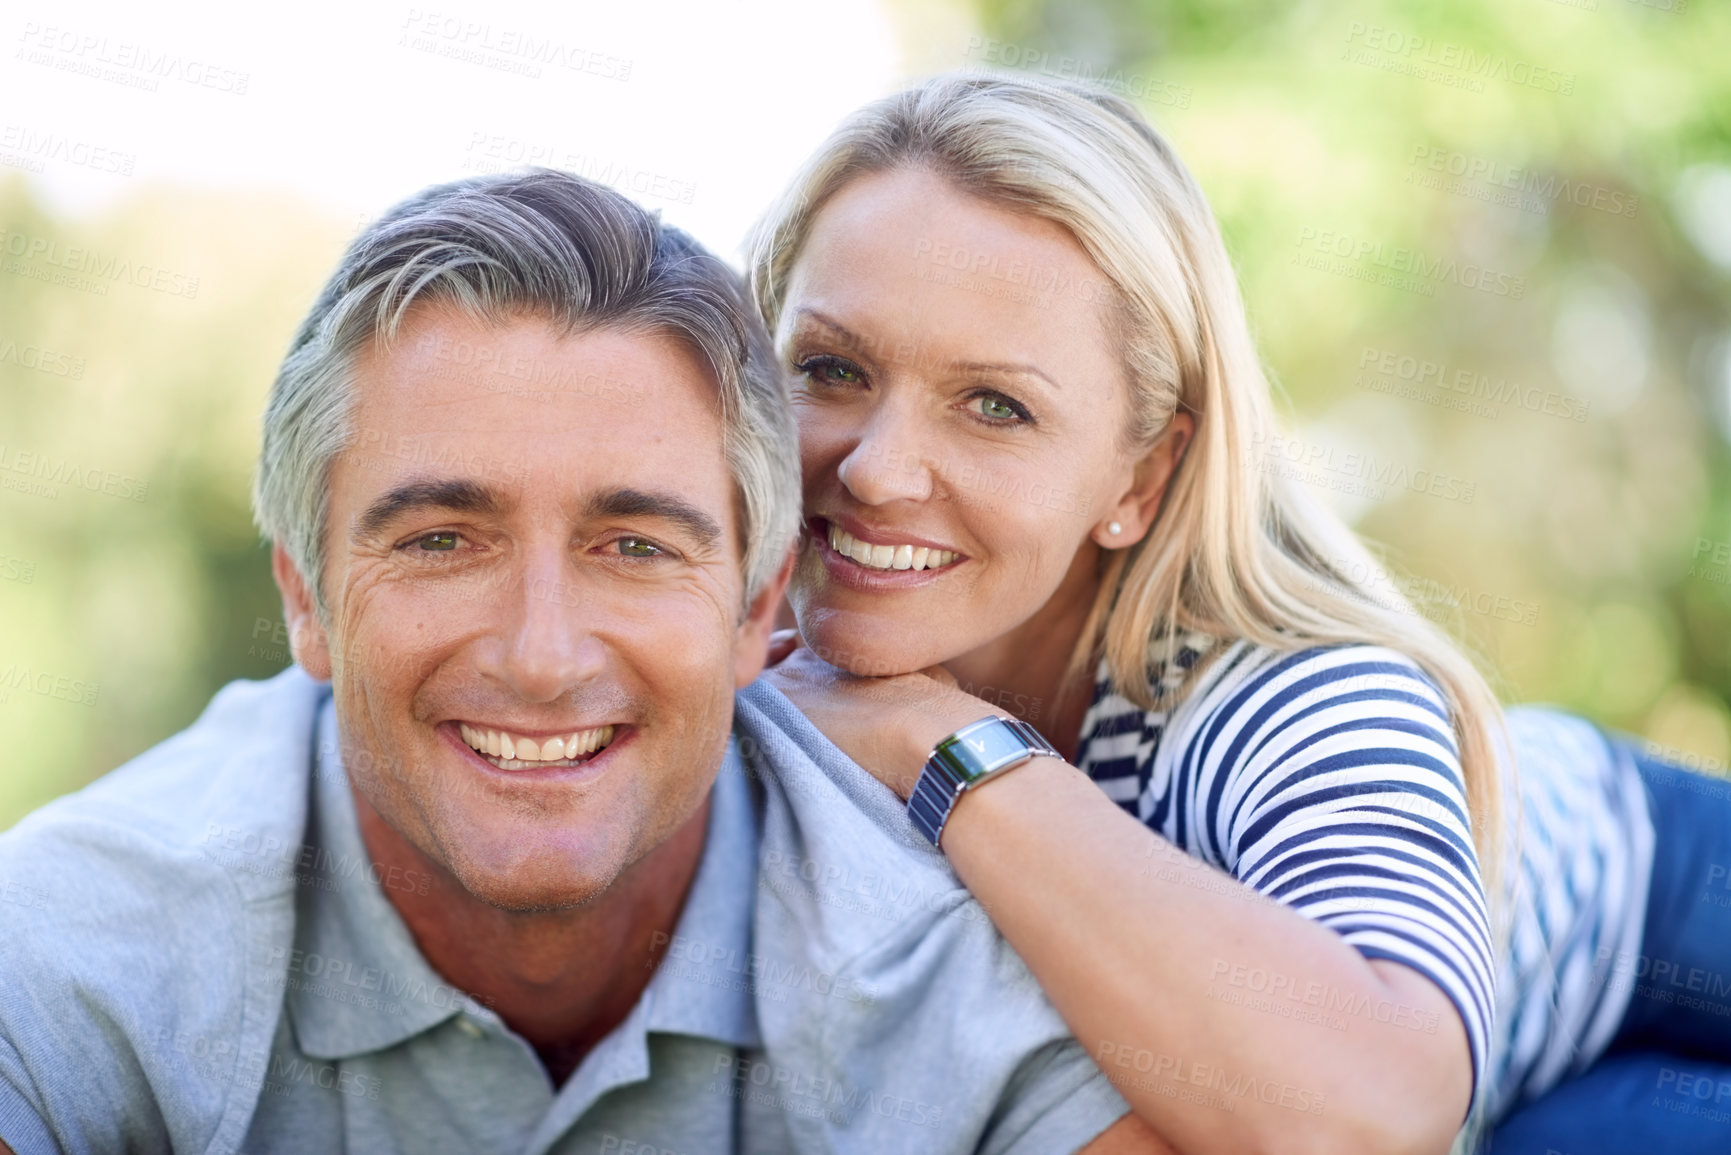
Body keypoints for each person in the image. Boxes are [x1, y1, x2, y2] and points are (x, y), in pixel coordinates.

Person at [0, 171, 1152, 1155]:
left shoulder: (934, 951)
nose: (541, 656)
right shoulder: (72, 946)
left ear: (758, 606)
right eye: (441, 542)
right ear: (305, 599)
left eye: (636, 547)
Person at [749, 72, 1731, 1153]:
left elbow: (1373, 1111)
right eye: (831, 368)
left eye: (997, 406)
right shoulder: (717, 663)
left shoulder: (1268, 687)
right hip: (1510, 1085)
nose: (880, 470)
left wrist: (935, 740)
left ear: (1140, 479)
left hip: (1646, 897)